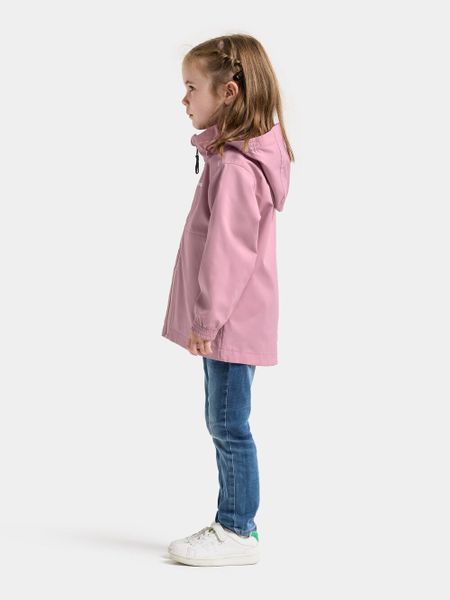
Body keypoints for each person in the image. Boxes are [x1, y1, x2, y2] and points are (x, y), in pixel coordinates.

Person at [162, 34, 294, 567]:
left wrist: (205, 320)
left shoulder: (237, 168)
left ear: (229, 93)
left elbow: (229, 252)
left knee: (228, 424)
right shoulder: (226, 157)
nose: (184, 99)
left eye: (192, 87)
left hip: (230, 322)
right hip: (230, 320)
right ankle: (235, 524)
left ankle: (237, 529)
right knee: (225, 421)